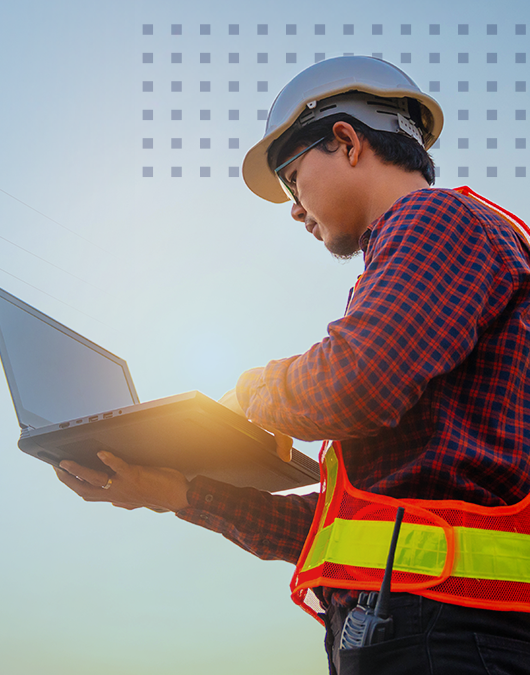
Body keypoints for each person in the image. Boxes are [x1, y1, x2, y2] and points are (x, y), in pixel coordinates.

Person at [54, 56, 530, 674]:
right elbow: (332, 536)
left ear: (346, 141)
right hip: (436, 627)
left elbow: (354, 384)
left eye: (291, 177)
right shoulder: (437, 257)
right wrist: (173, 491)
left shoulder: (435, 221)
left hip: (444, 633)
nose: (294, 207)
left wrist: (251, 393)